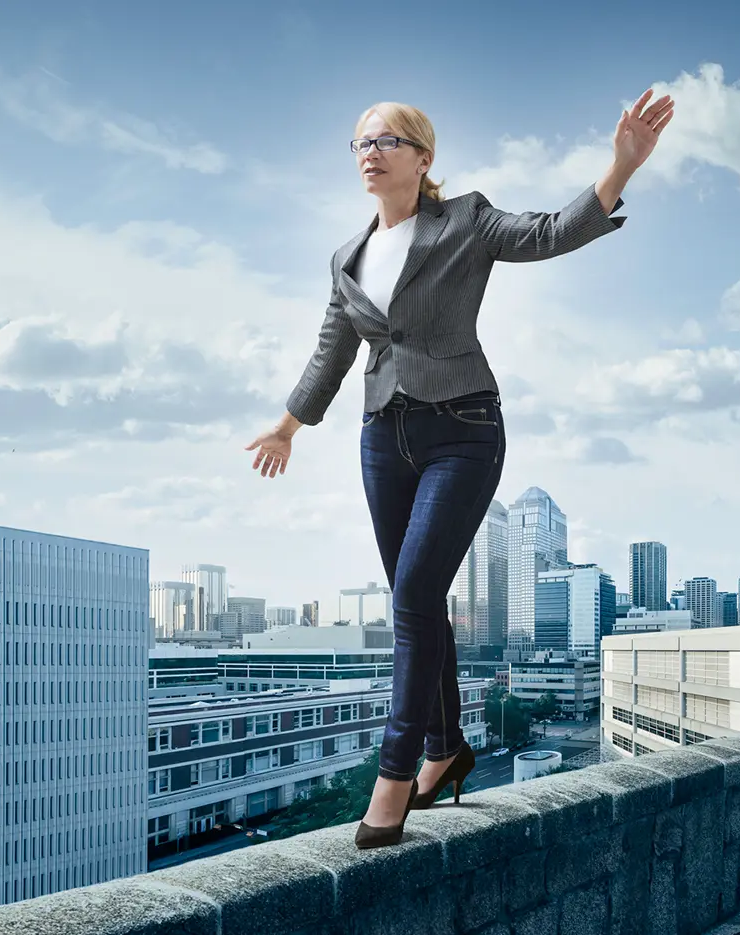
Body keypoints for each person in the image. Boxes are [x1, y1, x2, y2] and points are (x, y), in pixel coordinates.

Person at [244, 90, 673, 849]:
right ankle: (448, 747)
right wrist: (287, 424)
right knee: (422, 598)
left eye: (385, 139)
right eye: (358, 142)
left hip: (464, 430)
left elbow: (545, 234)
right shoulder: (347, 257)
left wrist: (618, 169)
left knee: (412, 592)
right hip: (384, 436)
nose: (369, 151)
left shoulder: (466, 220)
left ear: (422, 155)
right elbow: (331, 349)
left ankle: (397, 773)